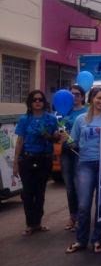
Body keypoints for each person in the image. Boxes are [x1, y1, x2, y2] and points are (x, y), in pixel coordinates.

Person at [66, 87, 101, 254]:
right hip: (85, 164)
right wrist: (65, 139)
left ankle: (97, 239)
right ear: (92, 99)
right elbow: (73, 142)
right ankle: (80, 240)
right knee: (84, 205)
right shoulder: (80, 119)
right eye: (99, 98)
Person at [13, 90, 59, 236]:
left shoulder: (51, 119)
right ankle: (30, 224)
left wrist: (52, 136)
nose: (37, 102)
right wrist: (15, 161)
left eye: (40, 99)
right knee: (27, 193)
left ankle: (37, 223)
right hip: (27, 159)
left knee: (40, 192)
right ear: (30, 103)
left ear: (44, 102)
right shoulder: (24, 119)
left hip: (44, 159)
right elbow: (20, 141)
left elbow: (56, 139)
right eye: (34, 100)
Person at [59, 85, 88, 231]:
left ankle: (82, 218)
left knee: (79, 187)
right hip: (66, 153)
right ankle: (73, 216)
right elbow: (59, 130)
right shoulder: (64, 112)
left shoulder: (87, 112)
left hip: (80, 153)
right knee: (69, 187)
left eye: (77, 95)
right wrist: (58, 134)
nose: (74, 97)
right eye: (71, 95)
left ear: (82, 97)